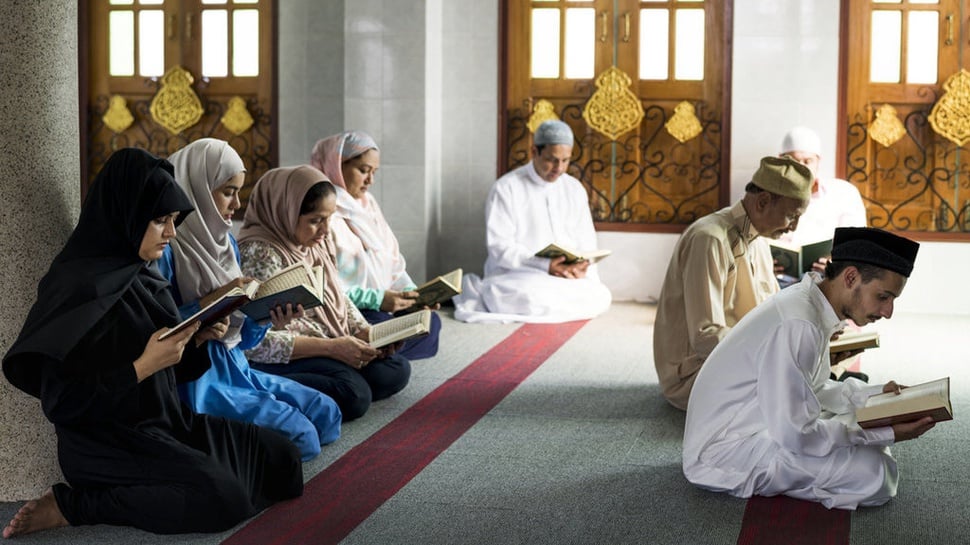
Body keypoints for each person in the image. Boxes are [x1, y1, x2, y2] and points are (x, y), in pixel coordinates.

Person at [1, 148, 302, 538]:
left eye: (174, 220)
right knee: (221, 498)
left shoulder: (144, 276)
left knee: (283, 460)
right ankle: (73, 505)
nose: (172, 233)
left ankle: (178, 480)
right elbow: (63, 403)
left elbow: (170, 372)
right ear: (126, 215)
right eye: (160, 220)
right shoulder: (77, 288)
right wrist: (142, 366)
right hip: (109, 444)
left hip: (166, 424)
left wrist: (194, 339)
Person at [683, 227, 934, 509]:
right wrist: (881, 432)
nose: (888, 312)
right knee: (874, 474)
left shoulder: (811, 302)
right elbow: (796, 433)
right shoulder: (799, 323)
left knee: (870, 448)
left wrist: (876, 398)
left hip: (758, 424)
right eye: (883, 297)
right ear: (850, 277)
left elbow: (811, 387)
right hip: (724, 451)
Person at [159, 138, 342, 461]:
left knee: (328, 414)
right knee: (303, 439)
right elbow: (157, 325)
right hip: (198, 379)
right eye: (228, 191)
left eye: (238, 192)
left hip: (236, 365)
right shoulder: (168, 248)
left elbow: (240, 339)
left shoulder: (226, 242)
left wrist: (265, 317)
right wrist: (205, 307)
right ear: (197, 187)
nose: (236, 204)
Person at [237, 165, 411, 421]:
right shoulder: (261, 253)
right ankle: (268, 385)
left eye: (329, 218)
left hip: (327, 339)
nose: (325, 230)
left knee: (396, 368)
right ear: (286, 211)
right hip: (282, 354)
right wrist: (332, 348)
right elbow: (255, 344)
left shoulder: (314, 244)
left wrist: (364, 333)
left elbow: (338, 295)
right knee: (354, 394)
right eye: (315, 220)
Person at [653, 156, 813, 410]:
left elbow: (772, 313)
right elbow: (706, 337)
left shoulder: (759, 241)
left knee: (809, 359)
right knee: (794, 397)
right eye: (791, 216)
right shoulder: (709, 239)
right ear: (762, 202)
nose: (794, 227)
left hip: (742, 358)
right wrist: (775, 354)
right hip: (697, 373)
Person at [453, 120, 612, 323]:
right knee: (530, 298)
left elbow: (585, 239)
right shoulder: (506, 188)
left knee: (601, 295)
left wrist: (582, 266)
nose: (559, 168)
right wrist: (545, 265)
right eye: (552, 160)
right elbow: (499, 248)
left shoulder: (574, 189)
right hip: (519, 276)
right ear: (534, 151)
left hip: (564, 276)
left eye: (565, 161)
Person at [310, 130, 441, 359]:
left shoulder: (366, 205)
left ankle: (378, 354)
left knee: (430, 321)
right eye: (363, 171)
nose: (370, 180)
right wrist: (377, 300)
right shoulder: (321, 213)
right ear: (337, 165)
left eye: (374, 172)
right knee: (379, 326)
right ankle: (373, 353)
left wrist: (412, 295)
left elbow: (391, 261)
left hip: (384, 303)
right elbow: (324, 286)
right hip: (349, 309)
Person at [778, 126, 870, 381]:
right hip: (779, 279)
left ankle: (831, 372)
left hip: (828, 276)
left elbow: (858, 244)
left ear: (818, 162)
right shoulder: (768, 195)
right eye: (792, 161)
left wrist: (835, 262)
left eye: (807, 161)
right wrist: (766, 260)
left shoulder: (843, 193)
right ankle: (799, 373)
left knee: (844, 304)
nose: (801, 167)